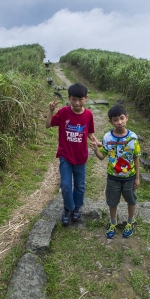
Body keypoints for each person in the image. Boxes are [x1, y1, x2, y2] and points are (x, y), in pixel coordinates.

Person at [46, 83, 97, 226]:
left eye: (80, 100)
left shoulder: (88, 115)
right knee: (66, 185)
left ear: (86, 99)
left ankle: (77, 207)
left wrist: (97, 144)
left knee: (80, 185)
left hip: (81, 156)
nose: (77, 103)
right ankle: (68, 208)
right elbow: (48, 125)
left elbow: (90, 134)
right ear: (69, 98)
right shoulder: (63, 112)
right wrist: (51, 111)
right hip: (65, 156)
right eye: (74, 99)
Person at [90, 105, 141, 238]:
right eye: (115, 120)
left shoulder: (133, 138)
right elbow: (102, 157)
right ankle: (113, 222)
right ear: (110, 122)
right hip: (113, 177)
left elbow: (136, 158)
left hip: (129, 177)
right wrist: (95, 149)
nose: (119, 122)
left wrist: (137, 178)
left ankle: (130, 221)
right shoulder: (107, 137)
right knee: (112, 201)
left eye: (122, 118)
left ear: (127, 118)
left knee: (131, 200)